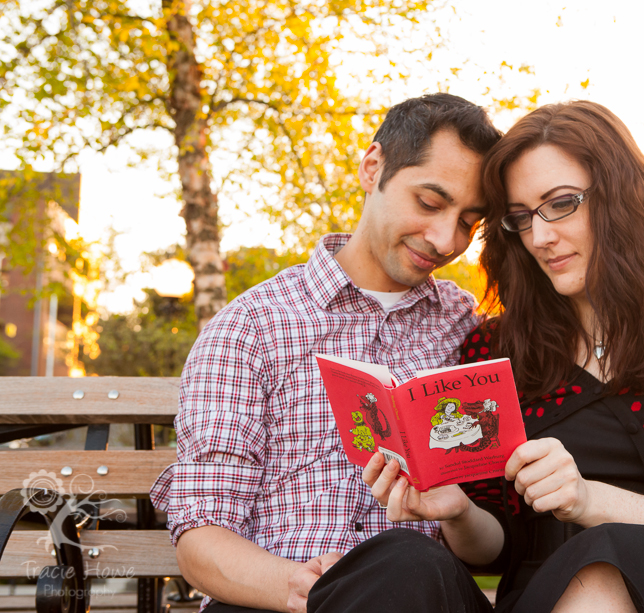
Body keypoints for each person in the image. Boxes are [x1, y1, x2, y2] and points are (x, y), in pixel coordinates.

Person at [363, 101, 644, 612]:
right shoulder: (495, 350)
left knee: (607, 553)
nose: (540, 237)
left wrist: (588, 501)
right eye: (521, 218)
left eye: (562, 203)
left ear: (621, 196)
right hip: (544, 597)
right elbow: (496, 549)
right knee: (399, 557)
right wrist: (457, 513)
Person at [150, 93, 502, 613]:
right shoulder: (252, 326)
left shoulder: (465, 328)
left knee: (411, 560)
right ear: (372, 166)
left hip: (424, 591)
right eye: (429, 203)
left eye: (469, 221)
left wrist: (455, 513)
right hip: (277, 598)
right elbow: (203, 536)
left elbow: (487, 546)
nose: (446, 240)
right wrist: (305, 586)